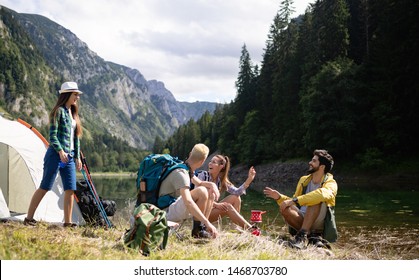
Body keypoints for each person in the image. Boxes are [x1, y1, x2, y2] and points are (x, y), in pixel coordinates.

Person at [24, 81, 84, 227]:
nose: (77, 97)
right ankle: (29, 218)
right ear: (67, 95)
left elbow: (75, 138)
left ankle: (68, 223)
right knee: (45, 186)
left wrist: (77, 157)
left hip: (69, 157)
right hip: (55, 155)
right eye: (75, 94)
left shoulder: (73, 113)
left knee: (70, 189)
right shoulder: (58, 111)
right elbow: (53, 136)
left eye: (77, 94)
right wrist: (60, 150)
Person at [263, 149, 337, 249]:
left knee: (315, 199)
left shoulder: (331, 183)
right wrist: (280, 197)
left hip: (319, 220)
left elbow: (322, 194)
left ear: (322, 166)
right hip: (302, 218)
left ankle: (306, 236)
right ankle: (309, 236)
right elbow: (294, 200)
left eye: (314, 161)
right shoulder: (304, 180)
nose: (310, 163)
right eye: (311, 160)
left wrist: (295, 200)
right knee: (284, 207)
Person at [158, 143, 220, 239]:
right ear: (203, 161)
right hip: (164, 213)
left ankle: (202, 228)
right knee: (202, 191)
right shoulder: (182, 173)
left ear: (191, 153)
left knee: (209, 191)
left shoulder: (185, 168)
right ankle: (197, 231)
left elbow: (198, 182)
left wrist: (212, 185)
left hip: (169, 208)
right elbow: (188, 202)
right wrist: (207, 222)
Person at [195, 154, 256, 231]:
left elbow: (237, 192)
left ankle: (235, 226)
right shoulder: (202, 175)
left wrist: (249, 179)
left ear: (221, 166)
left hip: (210, 211)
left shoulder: (220, 181)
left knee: (236, 197)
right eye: (210, 161)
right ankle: (250, 229)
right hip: (199, 213)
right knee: (228, 207)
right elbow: (197, 198)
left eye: (213, 162)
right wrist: (216, 205)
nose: (210, 163)